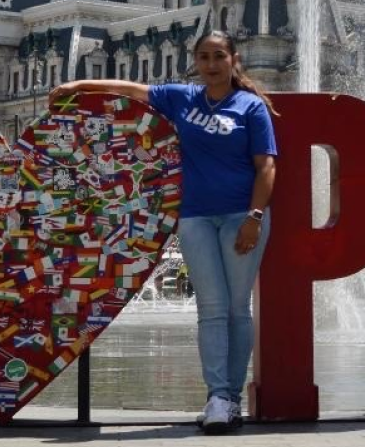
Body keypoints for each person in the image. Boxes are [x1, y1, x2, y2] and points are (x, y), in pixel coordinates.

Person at [51, 30, 277, 435]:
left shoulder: (250, 107)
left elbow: (266, 167)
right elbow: (130, 89)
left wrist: (255, 217)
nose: (212, 64)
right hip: (193, 217)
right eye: (204, 57)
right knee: (210, 307)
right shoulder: (183, 98)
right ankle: (218, 396)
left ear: (233, 60)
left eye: (219, 56)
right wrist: (77, 86)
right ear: (197, 61)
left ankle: (231, 398)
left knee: (237, 308)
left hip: (241, 216)